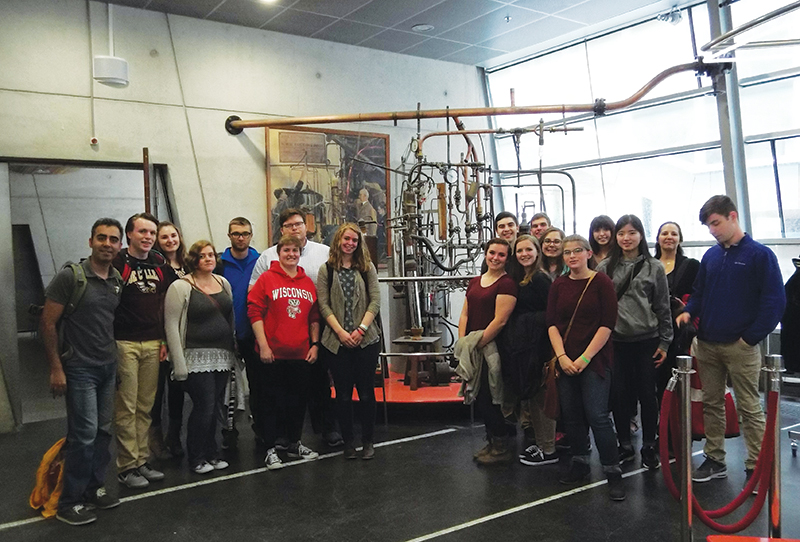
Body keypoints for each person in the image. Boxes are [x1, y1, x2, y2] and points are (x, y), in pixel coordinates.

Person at [677, 195, 785, 485]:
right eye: (708, 226)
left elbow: (774, 301)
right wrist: (688, 313)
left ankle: (756, 466)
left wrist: (749, 338)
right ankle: (715, 458)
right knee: (712, 403)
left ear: (733, 216)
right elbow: (699, 292)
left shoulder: (760, 256)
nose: (712, 230)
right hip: (708, 343)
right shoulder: (711, 256)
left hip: (741, 347)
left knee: (749, 406)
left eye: (716, 223)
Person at [41, 218, 124, 525]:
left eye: (113, 239)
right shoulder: (70, 277)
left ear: (119, 246)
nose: (107, 243)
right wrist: (56, 368)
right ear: (90, 242)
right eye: (101, 238)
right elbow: (48, 323)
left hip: (106, 366)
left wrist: (114, 366)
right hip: (78, 370)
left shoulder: (116, 279)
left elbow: (108, 324)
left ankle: (94, 488)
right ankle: (69, 501)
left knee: (103, 432)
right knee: (84, 434)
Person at [250, 208, 340, 448]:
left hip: (318, 329)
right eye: (289, 225)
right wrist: (264, 340)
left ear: (306, 226)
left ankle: (325, 429)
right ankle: (280, 436)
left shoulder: (324, 253)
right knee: (280, 391)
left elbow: (332, 290)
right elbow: (254, 298)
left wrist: (317, 339)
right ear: (281, 231)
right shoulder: (267, 259)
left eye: (298, 224)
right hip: (278, 336)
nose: (294, 229)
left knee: (319, 383)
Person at [547, 235, 624, 500]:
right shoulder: (558, 285)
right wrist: (562, 357)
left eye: (577, 251)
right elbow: (552, 324)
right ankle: (580, 461)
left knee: (597, 415)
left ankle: (613, 472)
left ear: (588, 253)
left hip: (595, 359)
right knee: (571, 414)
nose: (571, 256)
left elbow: (607, 324)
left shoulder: (601, 282)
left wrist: (584, 359)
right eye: (567, 252)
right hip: (565, 359)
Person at [597, 215, 672, 471]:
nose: (626, 238)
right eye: (621, 233)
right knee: (619, 395)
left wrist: (665, 341)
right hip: (615, 342)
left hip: (646, 341)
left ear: (641, 235)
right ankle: (625, 444)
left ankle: (649, 445)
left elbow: (663, 306)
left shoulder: (654, 267)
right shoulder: (605, 267)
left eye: (631, 232)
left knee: (647, 396)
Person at [248, 235, 322, 470]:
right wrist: (264, 346)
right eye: (286, 250)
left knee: (298, 402)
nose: (291, 254)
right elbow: (254, 312)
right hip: (273, 355)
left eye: (295, 251)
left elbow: (314, 317)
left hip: (300, 354)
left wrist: (314, 345)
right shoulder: (266, 279)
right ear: (278, 254)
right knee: (270, 402)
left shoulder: (308, 283)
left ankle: (294, 443)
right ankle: (270, 449)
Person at [164, 241, 235, 474]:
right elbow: (172, 326)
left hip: (222, 356)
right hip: (194, 357)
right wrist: (179, 363)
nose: (208, 259)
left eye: (211, 255)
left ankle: (212, 454)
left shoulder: (222, 282)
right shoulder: (180, 287)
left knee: (215, 406)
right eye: (202, 256)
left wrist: (234, 350)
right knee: (203, 405)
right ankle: (196, 457)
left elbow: (229, 317)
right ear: (193, 260)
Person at [112, 212, 169, 489]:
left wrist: (164, 341)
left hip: (152, 342)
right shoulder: (117, 262)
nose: (148, 237)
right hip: (124, 343)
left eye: (151, 233)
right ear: (130, 234)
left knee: (146, 407)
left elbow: (163, 305)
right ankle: (126, 466)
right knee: (126, 406)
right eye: (142, 232)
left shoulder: (159, 263)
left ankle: (141, 461)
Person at [316, 224, 381, 460]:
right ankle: (348, 443)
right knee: (342, 394)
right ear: (338, 241)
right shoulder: (327, 270)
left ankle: (368, 441)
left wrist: (361, 329)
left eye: (354, 240)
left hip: (366, 341)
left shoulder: (367, 268)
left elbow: (375, 301)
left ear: (359, 243)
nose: (350, 243)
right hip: (336, 342)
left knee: (365, 393)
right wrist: (341, 333)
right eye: (346, 239)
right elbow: (323, 305)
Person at [496, 235, 557, 466]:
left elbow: (551, 312)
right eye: (519, 250)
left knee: (542, 397)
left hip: (539, 345)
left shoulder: (540, 279)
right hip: (526, 345)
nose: (524, 254)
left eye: (528, 250)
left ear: (537, 250)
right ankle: (541, 444)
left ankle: (548, 448)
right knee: (532, 395)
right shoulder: (521, 277)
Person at [457, 238, 517, 465]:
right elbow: (465, 314)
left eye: (501, 255)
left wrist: (477, 343)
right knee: (479, 396)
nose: (495, 258)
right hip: (473, 347)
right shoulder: (474, 282)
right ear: (485, 253)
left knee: (490, 398)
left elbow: (500, 321)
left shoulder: (507, 284)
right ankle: (492, 441)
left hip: (493, 349)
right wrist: (464, 342)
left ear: (507, 259)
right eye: (492, 253)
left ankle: (501, 444)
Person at [216, 217, 261, 447]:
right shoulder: (218, 264)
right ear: (229, 235)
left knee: (259, 384)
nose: (240, 237)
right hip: (226, 335)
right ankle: (228, 431)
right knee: (227, 388)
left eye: (245, 233)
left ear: (251, 235)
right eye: (236, 233)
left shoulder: (261, 261)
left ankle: (260, 428)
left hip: (254, 333)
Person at [149, 221, 188, 459]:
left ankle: (174, 436)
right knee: (156, 392)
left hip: (185, 336)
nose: (170, 240)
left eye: (173, 235)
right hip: (161, 334)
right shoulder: (155, 266)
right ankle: (154, 439)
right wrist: (163, 338)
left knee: (177, 389)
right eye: (164, 237)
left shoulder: (187, 263)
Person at [654, 221, 699, 401]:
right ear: (658, 239)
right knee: (657, 380)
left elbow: (699, 295)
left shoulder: (692, 266)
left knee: (680, 378)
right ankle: (662, 423)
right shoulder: (648, 265)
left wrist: (685, 307)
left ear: (680, 239)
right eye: (664, 233)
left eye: (673, 233)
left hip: (680, 331)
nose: (669, 237)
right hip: (653, 329)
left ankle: (681, 423)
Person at [481, 212, 521, 278]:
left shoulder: (524, 254)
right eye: (501, 226)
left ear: (517, 227)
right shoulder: (490, 259)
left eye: (510, 225)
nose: (506, 229)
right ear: (496, 231)